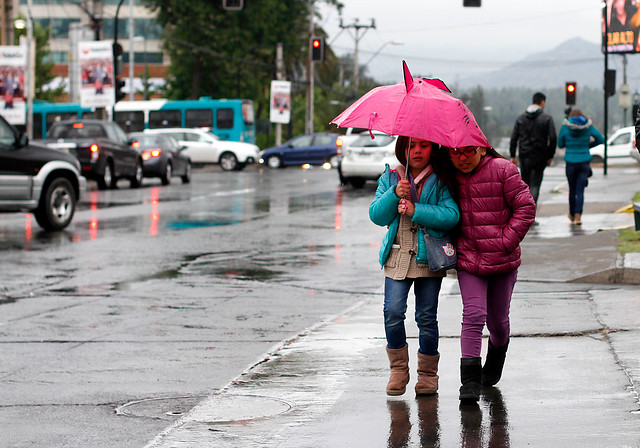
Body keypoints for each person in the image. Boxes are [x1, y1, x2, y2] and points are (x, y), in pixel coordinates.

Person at [369, 136, 460, 396]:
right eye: (411, 145)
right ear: (402, 148)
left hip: (429, 259)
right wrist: (393, 194)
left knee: (426, 317)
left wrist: (415, 209)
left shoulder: (441, 179)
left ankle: (428, 375)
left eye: (424, 145)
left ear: (433, 148)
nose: (417, 150)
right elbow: (377, 215)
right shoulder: (390, 177)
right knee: (393, 312)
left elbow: (451, 216)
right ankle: (398, 371)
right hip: (397, 258)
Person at [445, 144, 536, 403]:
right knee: (473, 314)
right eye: (455, 153)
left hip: (502, 260)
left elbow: (526, 207)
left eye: (468, 151)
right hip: (468, 259)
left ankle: (495, 362)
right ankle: (470, 380)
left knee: (497, 322)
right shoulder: (447, 176)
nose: (462, 158)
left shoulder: (504, 170)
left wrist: (505, 241)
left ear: (483, 150)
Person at [557, 109, 604, 225]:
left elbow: (560, 144)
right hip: (584, 162)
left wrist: (570, 144)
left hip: (570, 162)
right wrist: (587, 145)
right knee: (580, 190)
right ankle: (579, 216)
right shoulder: (588, 126)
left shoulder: (565, 126)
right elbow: (600, 139)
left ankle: (571, 215)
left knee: (572, 190)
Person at [509, 92, 557, 205]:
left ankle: (524, 212)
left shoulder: (520, 118)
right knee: (535, 185)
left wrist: (512, 155)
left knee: (525, 184)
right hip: (540, 156)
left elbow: (514, 138)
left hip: (524, 155)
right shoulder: (547, 118)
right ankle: (531, 213)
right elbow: (553, 138)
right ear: (542, 102)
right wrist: (550, 155)